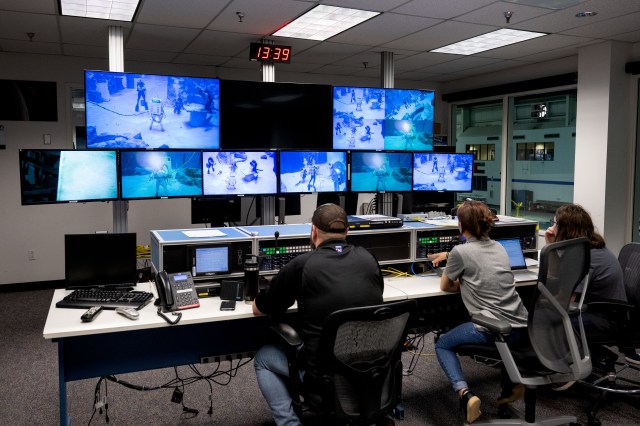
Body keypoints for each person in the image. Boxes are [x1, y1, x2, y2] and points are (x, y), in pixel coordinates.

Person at [253, 203, 384, 426]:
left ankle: (290, 424)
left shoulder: (302, 265)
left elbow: (261, 308)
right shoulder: (369, 259)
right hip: (369, 366)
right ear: (347, 232)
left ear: (313, 231)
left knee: (263, 359)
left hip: (324, 375)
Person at [428, 200, 528, 424]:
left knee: (442, 343)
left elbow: (446, 286)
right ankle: (511, 382)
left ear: (461, 225)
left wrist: (460, 274)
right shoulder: (500, 247)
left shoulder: (460, 252)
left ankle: (465, 395)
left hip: (494, 330)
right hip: (522, 327)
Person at [544, 204, 639, 376]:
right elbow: (559, 280)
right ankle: (596, 357)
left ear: (566, 229)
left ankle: (596, 358)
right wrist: (553, 247)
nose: (552, 226)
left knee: (547, 324)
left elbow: (565, 302)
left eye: (555, 223)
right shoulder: (588, 246)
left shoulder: (583, 256)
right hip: (606, 311)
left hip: (607, 319)